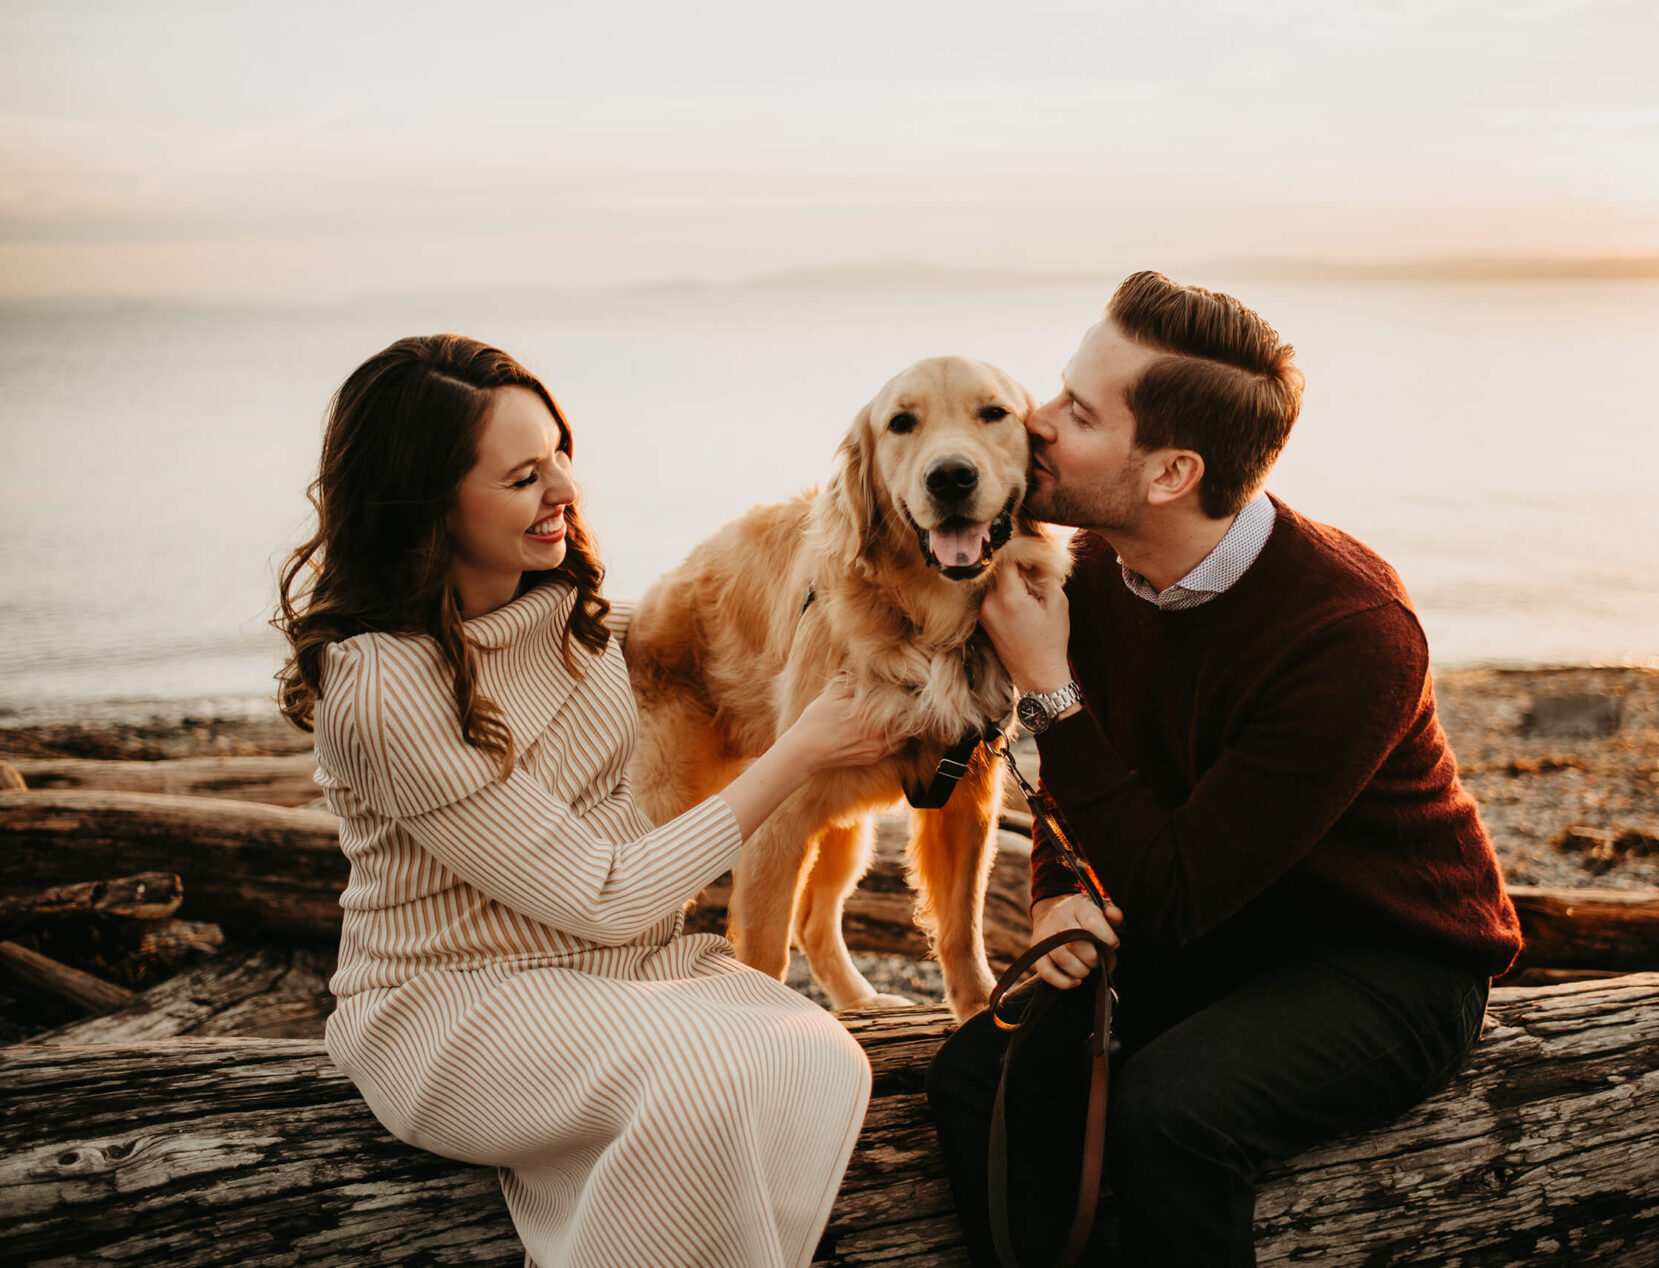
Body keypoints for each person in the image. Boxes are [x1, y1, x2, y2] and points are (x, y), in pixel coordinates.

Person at [926, 272, 1525, 1266]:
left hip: (1388, 958)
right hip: (1212, 923)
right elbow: (1099, 791)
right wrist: (1058, 888)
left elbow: (1174, 893)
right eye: (1059, 389)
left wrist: (1046, 686)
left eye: (1079, 411)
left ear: (1170, 473)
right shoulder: (1095, 571)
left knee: (1170, 1112)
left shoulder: (1352, 633)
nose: (1034, 421)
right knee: (977, 1077)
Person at [276, 334, 896, 1268]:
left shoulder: (575, 620)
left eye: (560, 455)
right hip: (450, 1005)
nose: (565, 488)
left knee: (820, 1056)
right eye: (524, 477)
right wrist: (800, 752)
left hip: (622, 971)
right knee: (702, 1080)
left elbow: (721, 626)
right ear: (428, 505)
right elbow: (603, 893)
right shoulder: (382, 685)